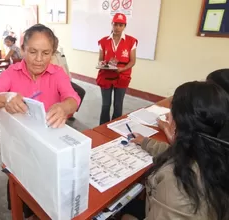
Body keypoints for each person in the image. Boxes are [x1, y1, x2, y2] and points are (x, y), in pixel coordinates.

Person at [0, 24, 80, 220]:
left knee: (49, 203)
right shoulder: (12, 73)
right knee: (22, 201)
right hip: (19, 152)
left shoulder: (57, 73)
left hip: (49, 150)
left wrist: (64, 107)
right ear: (23, 49)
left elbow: (72, 98)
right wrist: (5, 97)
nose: (39, 59)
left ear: (53, 53)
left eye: (46, 53)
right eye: (33, 52)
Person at [120, 81, 229, 220]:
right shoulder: (213, 151)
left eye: (170, 111)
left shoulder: (177, 181)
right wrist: (145, 142)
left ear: (178, 120)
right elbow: (176, 152)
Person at [98, 13, 137, 125]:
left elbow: (132, 61)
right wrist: (103, 64)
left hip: (122, 76)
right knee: (105, 104)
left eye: (121, 25)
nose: (117, 27)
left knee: (118, 104)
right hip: (106, 76)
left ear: (125, 26)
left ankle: (116, 127)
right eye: (115, 24)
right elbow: (100, 59)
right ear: (112, 24)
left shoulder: (131, 41)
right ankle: (102, 127)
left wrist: (122, 69)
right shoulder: (103, 41)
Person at [50, 36, 86, 114]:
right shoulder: (49, 56)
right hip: (56, 81)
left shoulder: (59, 54)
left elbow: (65, 66)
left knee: (80, 91)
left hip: (66, 79)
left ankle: (71, 112)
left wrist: (69, 77)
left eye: (57, 43)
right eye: (54, 43)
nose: (56, 45)